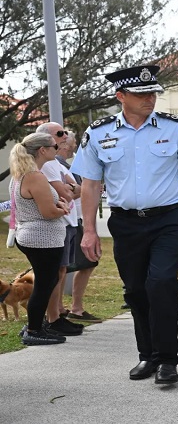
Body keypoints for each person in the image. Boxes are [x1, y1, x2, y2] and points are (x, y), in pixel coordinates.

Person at [71, 65, 178, 385]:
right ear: (121, 96)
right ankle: (147, 355)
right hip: (126, 224)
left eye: (153, 93)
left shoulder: (175, 128)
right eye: (142, 94)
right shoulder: (98, 133)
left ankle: (167, 359)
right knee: (136, 290)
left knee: (162, 282)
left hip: (169, 220)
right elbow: (90, 184)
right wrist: (89, 230)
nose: (150, 99)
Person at [8, 133, 71, 345]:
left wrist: (57, 206)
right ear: (42, 150)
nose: (58, 149)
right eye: (55, 146)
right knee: (45, 283)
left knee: (47, 281)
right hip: (41, 238)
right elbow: (48, 212)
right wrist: (63, 208)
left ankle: (35, 324)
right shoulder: (35, 176)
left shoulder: (21, 174)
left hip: (34, 236)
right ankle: (34, 330)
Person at [36, 122, 84, 337]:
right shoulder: (46, 164)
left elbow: (78, 189)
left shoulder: (57, 163)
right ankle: (52, 318)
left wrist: (71, 188)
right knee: (54, 273)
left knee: (62, 270)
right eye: (60, 133)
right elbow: (67, 194)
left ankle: (57, 314)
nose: (65, 136)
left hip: (69, 222)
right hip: (58, 224)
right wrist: (70, 189)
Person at [57, 133, 102, 323]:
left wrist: (86, 189)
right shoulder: (56, 165)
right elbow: (65, 193)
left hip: (77, 220)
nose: (75, 146)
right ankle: (65, 309)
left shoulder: (69, 165)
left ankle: (71, 308)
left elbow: (77, 189)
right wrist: (86, 190)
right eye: (74, 143)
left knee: (85, 263)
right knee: (66, 267)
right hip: (68, 221)